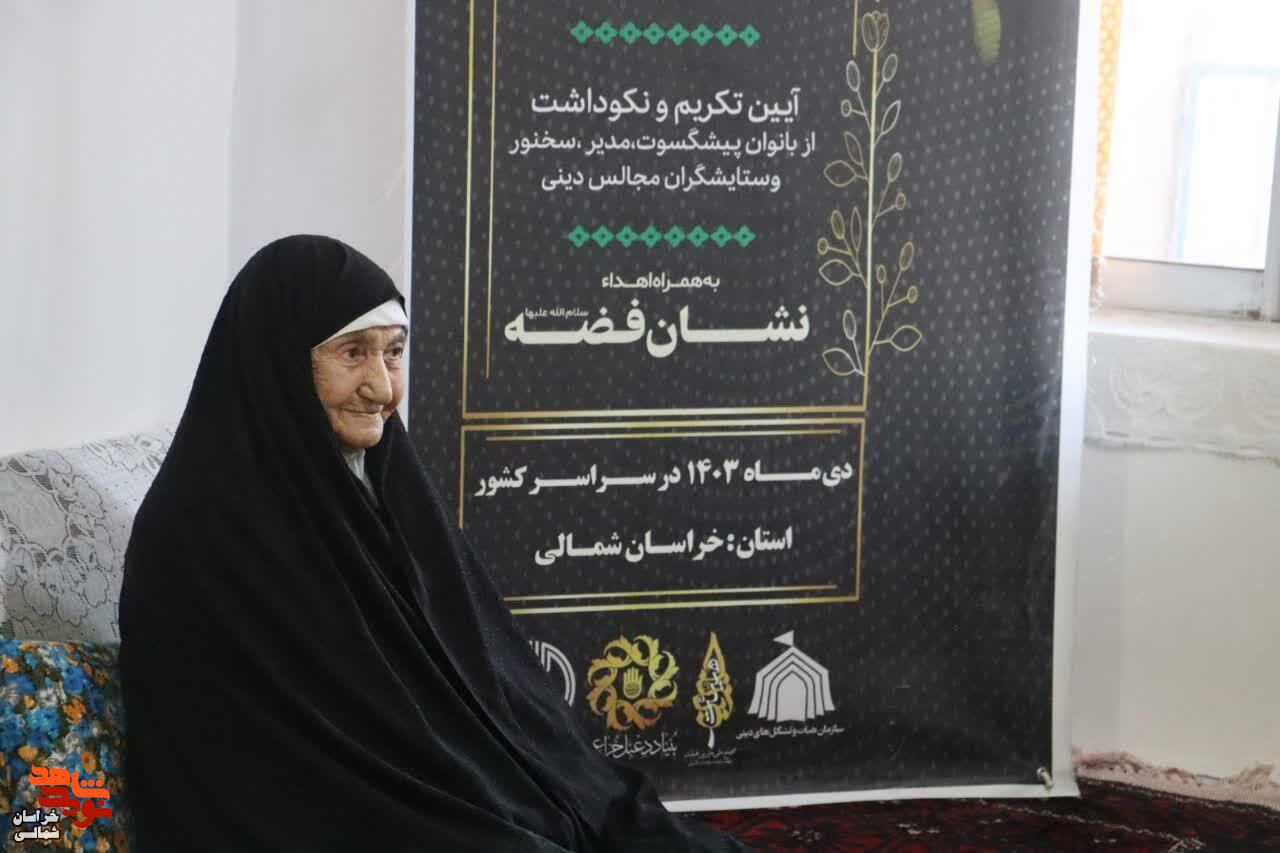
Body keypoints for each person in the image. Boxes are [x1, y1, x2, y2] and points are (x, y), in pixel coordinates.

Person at [118, 235, 747, 852]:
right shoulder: (202, 530)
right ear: (278, 362)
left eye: (393, 353)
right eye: (352, 354)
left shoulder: (383, 482)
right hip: (324, 808)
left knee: (629, 825)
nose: (383, 388)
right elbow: (271, 749)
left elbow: (483, 682)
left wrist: (532, 791)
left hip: (441, 785)